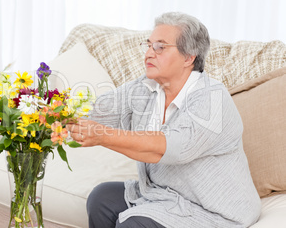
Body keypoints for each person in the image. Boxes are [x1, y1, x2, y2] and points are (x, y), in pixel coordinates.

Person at [66, 12, 261, 228]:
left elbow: (168, 149)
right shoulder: (146, 87)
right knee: (101, 198)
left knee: (133, 225)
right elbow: (98, 111)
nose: (149, 53)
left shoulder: (212, 98)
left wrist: (102, 136)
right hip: (163, 195)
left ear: (189, 57)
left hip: (212, 210)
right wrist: (48, 113)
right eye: (148, 45)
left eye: (160, 47)